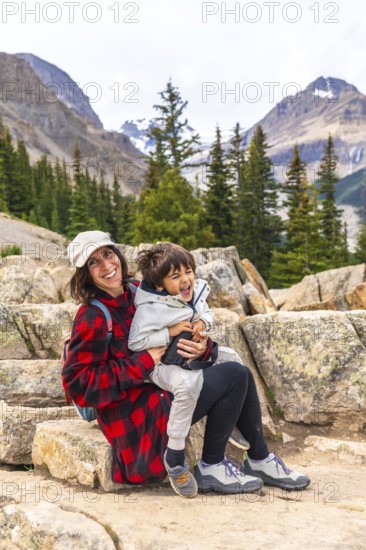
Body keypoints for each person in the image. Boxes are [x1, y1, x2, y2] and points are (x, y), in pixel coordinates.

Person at [62, 230, 311, 498]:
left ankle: (258, 459)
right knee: (235, 375)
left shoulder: (142, 291)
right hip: (137, 417)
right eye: (93, 262)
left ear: (118, 255)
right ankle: (216, 466)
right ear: (85, 274)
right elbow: (79, 385)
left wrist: (204, 348)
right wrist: (144, 361)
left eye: (108, 254)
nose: (106, 265)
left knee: (237, 371)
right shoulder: (92, 317)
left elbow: (184, 328)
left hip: (164, 391)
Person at [128, 242, 249, 498]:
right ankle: (174, 456)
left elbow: (207, 312)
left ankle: (234, 421)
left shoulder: (192, 293)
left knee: (233, 358)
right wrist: (169, 331)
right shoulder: (149, 308)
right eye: (176, 276)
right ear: (160, 284)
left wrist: (202, 324)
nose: (186, 280)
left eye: (189, 271)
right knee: (188, 384)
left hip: (186, 354)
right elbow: (135, 343)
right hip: (160, 366)